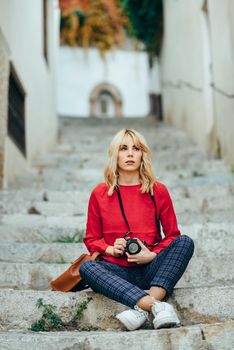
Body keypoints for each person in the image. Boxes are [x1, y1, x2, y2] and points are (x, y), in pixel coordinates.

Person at [80, 128, 194, 331]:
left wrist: (152, 255)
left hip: (151, 268)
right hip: (116, 271)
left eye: (136, 148)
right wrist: (110, 249)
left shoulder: (157, 190)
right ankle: (153, 306)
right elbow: (91, 238)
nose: (130, 154)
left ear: (143, 155)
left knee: (185, 242)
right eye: (123, 148)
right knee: (87, 268)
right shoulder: (100, 193)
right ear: (115, 154)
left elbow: (172, 236)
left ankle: (140, 308)